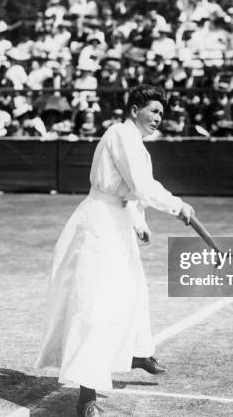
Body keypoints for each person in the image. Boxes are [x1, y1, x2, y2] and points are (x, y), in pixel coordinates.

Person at [35, 85, 194, 416]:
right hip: (98, 225)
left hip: (118, 221)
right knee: (93, 307)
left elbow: (131, 192)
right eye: (153, 111)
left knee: (133, 291)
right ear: (135, 110)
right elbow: (139, 185)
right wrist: (178, 206)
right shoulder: (121, 134)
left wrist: (137, 220)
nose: (158, 118)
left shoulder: (134, 141)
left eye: (162, 114)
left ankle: (135, 352)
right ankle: (86, 396)